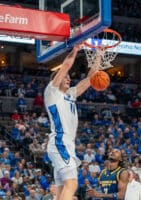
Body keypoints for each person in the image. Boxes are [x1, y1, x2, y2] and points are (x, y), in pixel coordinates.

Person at [44, 44, 97, 200]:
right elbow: (66, 66)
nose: (68, 78)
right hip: (60, 143)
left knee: (61, 191)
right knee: (72, 185)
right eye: (65, 77)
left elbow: (90, 79)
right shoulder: (52, 92)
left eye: (69, 77)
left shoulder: (71, 94)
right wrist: (75, 50)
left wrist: (99, 55)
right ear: (56, 79)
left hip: (67, 146)